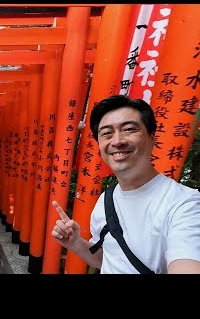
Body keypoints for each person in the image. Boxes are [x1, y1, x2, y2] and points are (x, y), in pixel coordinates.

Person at [51, 94, 200, 274]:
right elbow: (107, 259)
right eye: (106, 133)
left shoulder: (185, 204)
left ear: (152, 137)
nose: (117, 141)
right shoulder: (106, 200)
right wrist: (75, 243)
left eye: (129, 129)